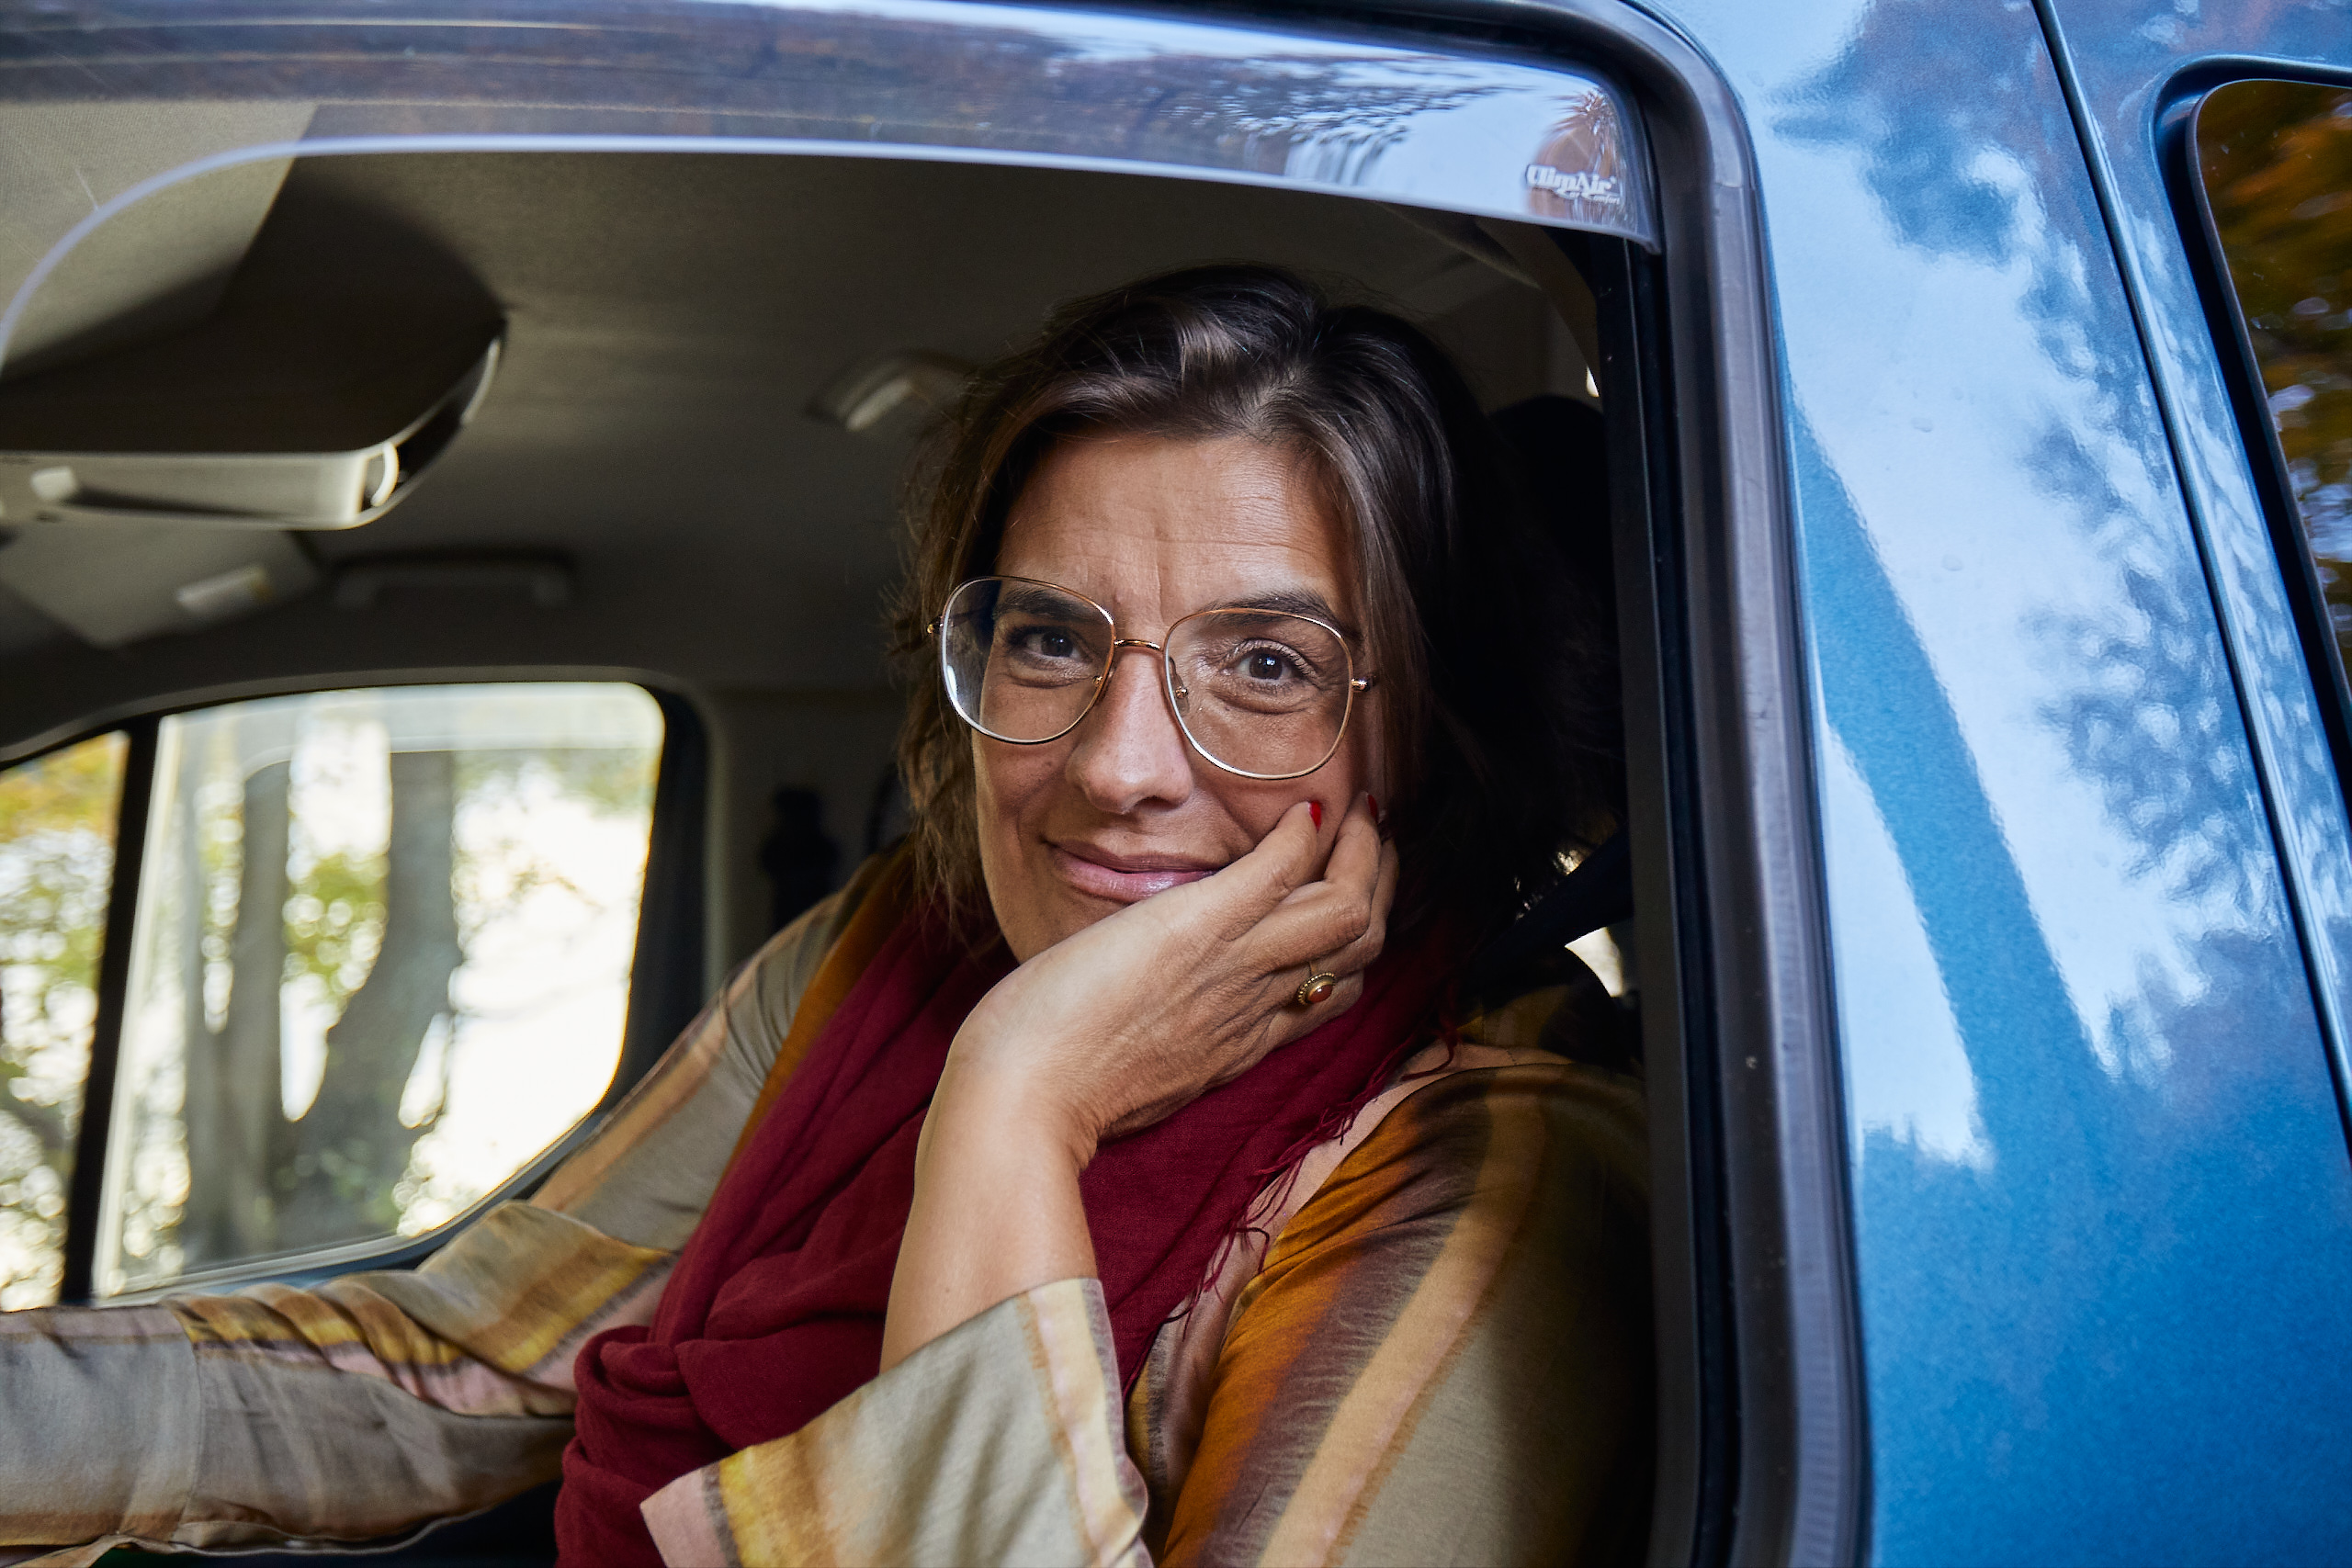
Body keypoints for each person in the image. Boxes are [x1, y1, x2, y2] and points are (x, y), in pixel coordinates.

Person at [0, 265, 1650, 1566]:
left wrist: (1018, 1103)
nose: (1116, 767)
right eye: (1052, 641)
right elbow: (475, 1364)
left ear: (1432, 732)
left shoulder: (1487, 1163)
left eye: (1267, 666)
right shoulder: (900, 943)